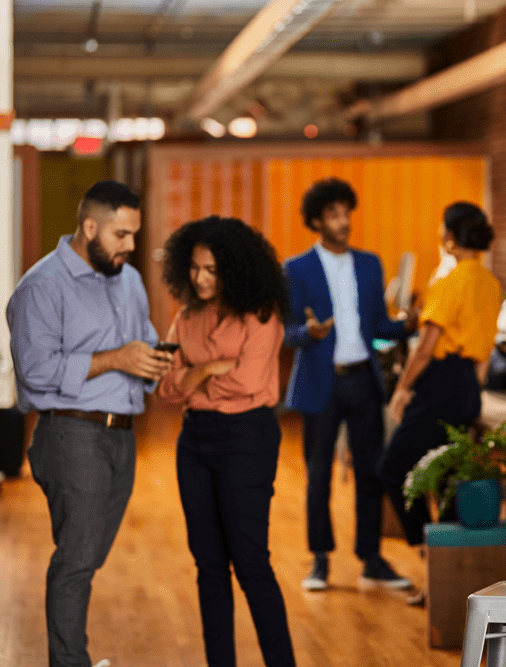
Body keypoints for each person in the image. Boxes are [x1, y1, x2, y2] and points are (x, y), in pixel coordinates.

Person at [6, 179, 173, 667]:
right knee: (77, 558)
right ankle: (69, 662)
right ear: (89, 227)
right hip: (70, 433)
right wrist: (118, 358)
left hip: (121, 436)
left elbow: (142, 338)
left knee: (87, 554)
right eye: (121, 235)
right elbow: (35, 373)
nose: (131, 246)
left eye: (135, 235)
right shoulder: (41, 287)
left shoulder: (129, 280)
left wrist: (151, 360)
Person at [156, 216, 296, 667]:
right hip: (194, 442)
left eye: (212, 270)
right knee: (208, 566)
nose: (200, 278)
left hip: (247, 440)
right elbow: (164, 388)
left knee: (251, 562)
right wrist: (209, 370)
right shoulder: (185, 317)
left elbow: (250, 379)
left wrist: (191, 378)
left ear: (234, 269)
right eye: (195, 268)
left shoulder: (261, 313)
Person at [283, 177, 416, 591]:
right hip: (322, 383)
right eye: (334, 214)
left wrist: (406, 325)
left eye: (346, 213)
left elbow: (377, 325)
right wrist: (309, 334)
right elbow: (287, 332)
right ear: (316, 220)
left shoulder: (369, 263)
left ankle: (372, 558)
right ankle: (320, 560)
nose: (343, 221)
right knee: (319, 474)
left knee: (371, 473)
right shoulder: (295, 269)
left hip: (363, 379)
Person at [380, 202, 503, 547]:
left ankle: (424, 551)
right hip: (467, 387)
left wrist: (403, 389)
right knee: (450, 476)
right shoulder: (490, 284)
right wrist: (472, 394)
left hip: (441, 382)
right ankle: (442, 572)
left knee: (394, 469)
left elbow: (424, 348)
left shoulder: (449, 283)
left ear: (449, 236)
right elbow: (486, 349)